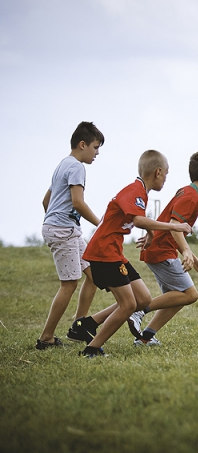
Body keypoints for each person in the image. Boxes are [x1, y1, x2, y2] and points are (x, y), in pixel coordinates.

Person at [71, 150, 192, 357]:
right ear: (158, 172)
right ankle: (92, 349)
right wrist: (177, 227)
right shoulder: (135, 191)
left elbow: (137, 218)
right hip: (104, 252)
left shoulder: (140, 192)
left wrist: (151, 234)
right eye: (166, 174)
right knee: (128, 304)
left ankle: (87, 324)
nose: (166, 178)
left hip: (113, 253)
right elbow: (138, 220)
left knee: (143, 299)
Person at [125, 151, 198, 346]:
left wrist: (197, 261)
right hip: (161, 251)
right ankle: (139, 310)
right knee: (190, 295)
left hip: (159, 249)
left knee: (177, 298)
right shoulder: (191, 197)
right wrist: (185, 251)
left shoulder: (189, 192)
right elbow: (176, 225)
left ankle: (145, 338)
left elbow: (176, 229)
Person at [36, 122, 105, 350]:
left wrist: (57, 222)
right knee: (69, 284)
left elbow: (47, 201)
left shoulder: (62, 165)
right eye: (95, 147)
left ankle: (79, 326)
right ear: (82, 144)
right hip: (63, 230)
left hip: (68, 229)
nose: (97, 153)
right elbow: (77, 201)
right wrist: (100, 224)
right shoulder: (76, 167)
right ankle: (46, 338)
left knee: (94, 274)